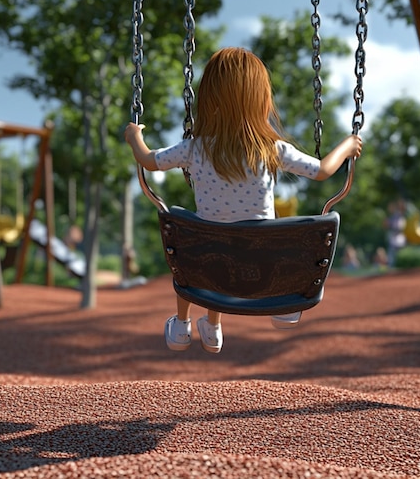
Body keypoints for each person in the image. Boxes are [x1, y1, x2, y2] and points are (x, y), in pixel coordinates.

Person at [125, 47, 363, 354]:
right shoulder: (272, 149)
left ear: (208, 98)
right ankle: (284, 303)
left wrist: (134, 137)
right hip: (263, 266)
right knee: (237, 242)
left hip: (207, 264)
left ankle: (190, 327)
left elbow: (148, 161)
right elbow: (321, 171)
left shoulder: (194, 148)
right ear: (261, 99)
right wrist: (347, 145)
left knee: (190, 247)